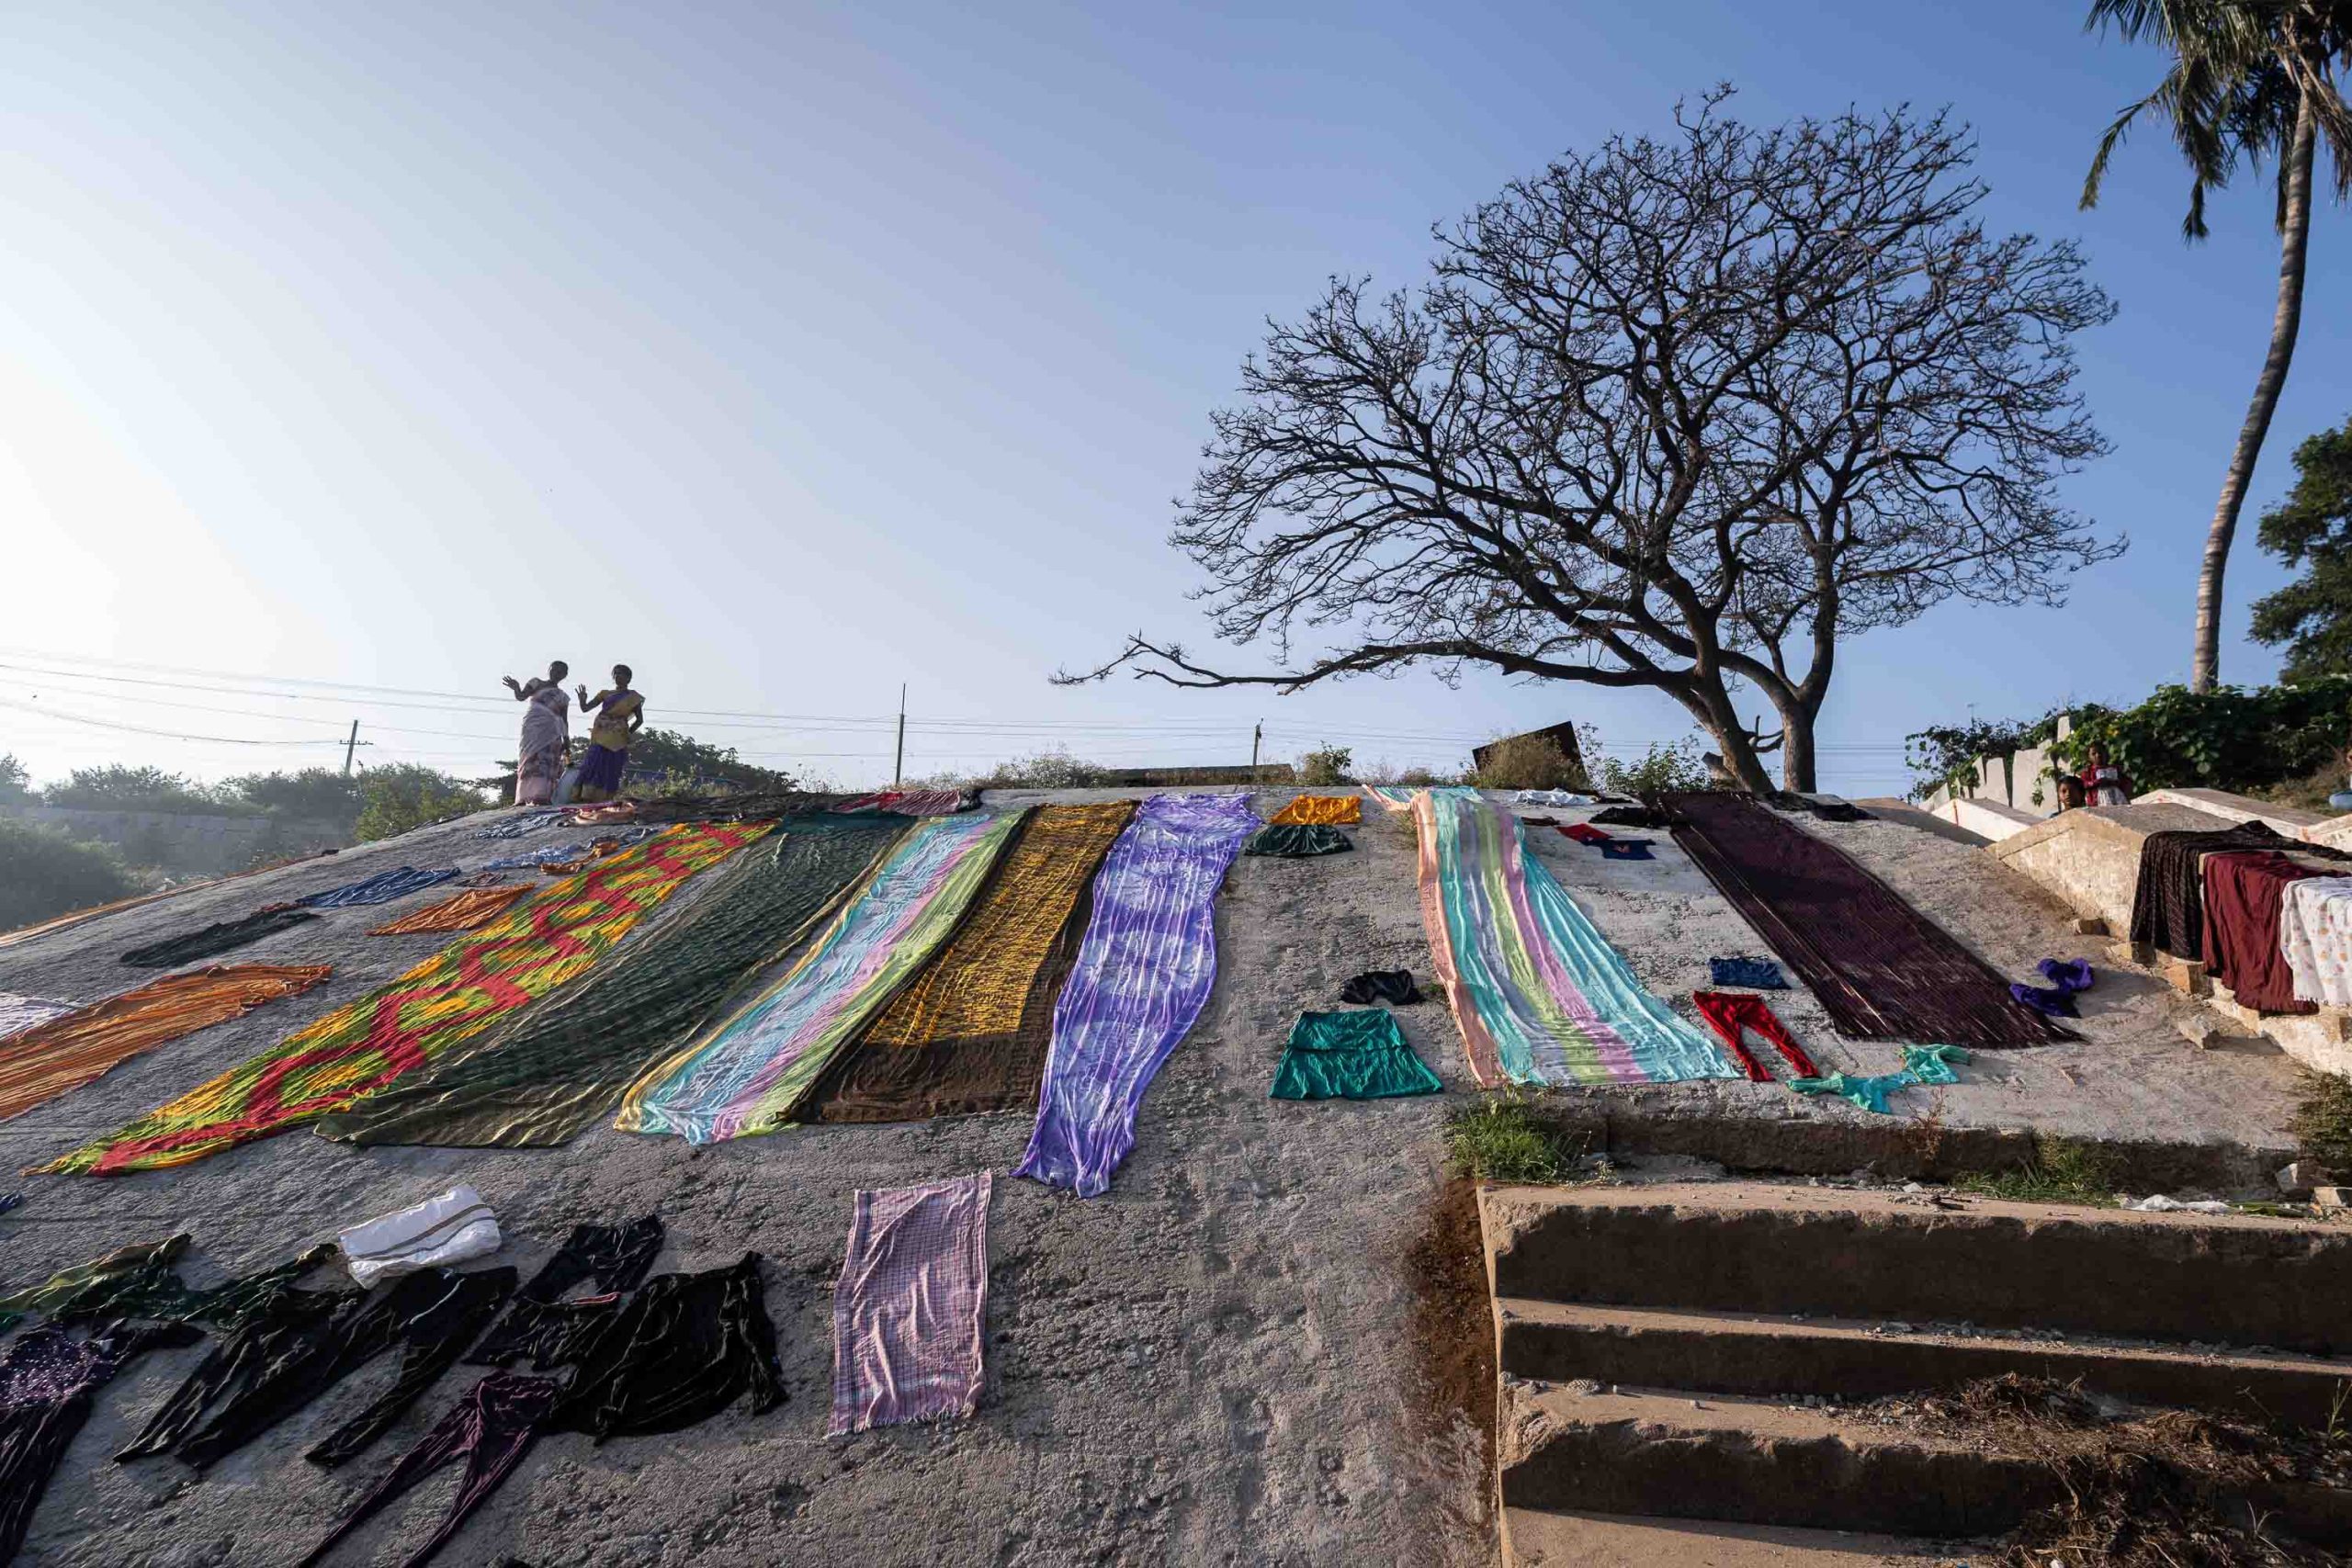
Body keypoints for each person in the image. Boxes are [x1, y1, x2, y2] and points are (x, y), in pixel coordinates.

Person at [571, 664, 645, 803]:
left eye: (621, 673)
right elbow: (585, 708)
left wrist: (626, 733)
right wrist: (582, 700)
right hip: (600, 733)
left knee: (611, 766)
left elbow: (640, 720)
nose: (618, 676)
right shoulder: (605, 694)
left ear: (629, 678)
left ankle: (605, 798)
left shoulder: (633, 697)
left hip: (618, 737)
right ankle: (586, 795)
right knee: (594, 762)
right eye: (615, 673)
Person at [502, 661, 571, 807]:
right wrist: (516, 687)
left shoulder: (563, 696)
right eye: (554, 669)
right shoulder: (536, 683)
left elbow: (564, 719)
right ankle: (523, 797)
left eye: (560, 672)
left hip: (552, 731)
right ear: (549, 670)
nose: (556, 673)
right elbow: (521, 696)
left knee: (546, 761)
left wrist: (566, 739)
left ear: (564, 675)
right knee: (529, 759)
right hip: (533, 727)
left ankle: (542, 796)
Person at [2078, 744, 2132, 808]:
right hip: (2098, 800)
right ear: (2089, 757)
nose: (2098, 755)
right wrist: (2097, 782)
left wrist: (2115, 782)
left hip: (2117, 797)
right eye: (2093, 754)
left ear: (2105, 753)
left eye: (2100, 752)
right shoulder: (2088, 772)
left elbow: (2125, 782)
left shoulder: (2115, 768)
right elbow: (2083, 784)